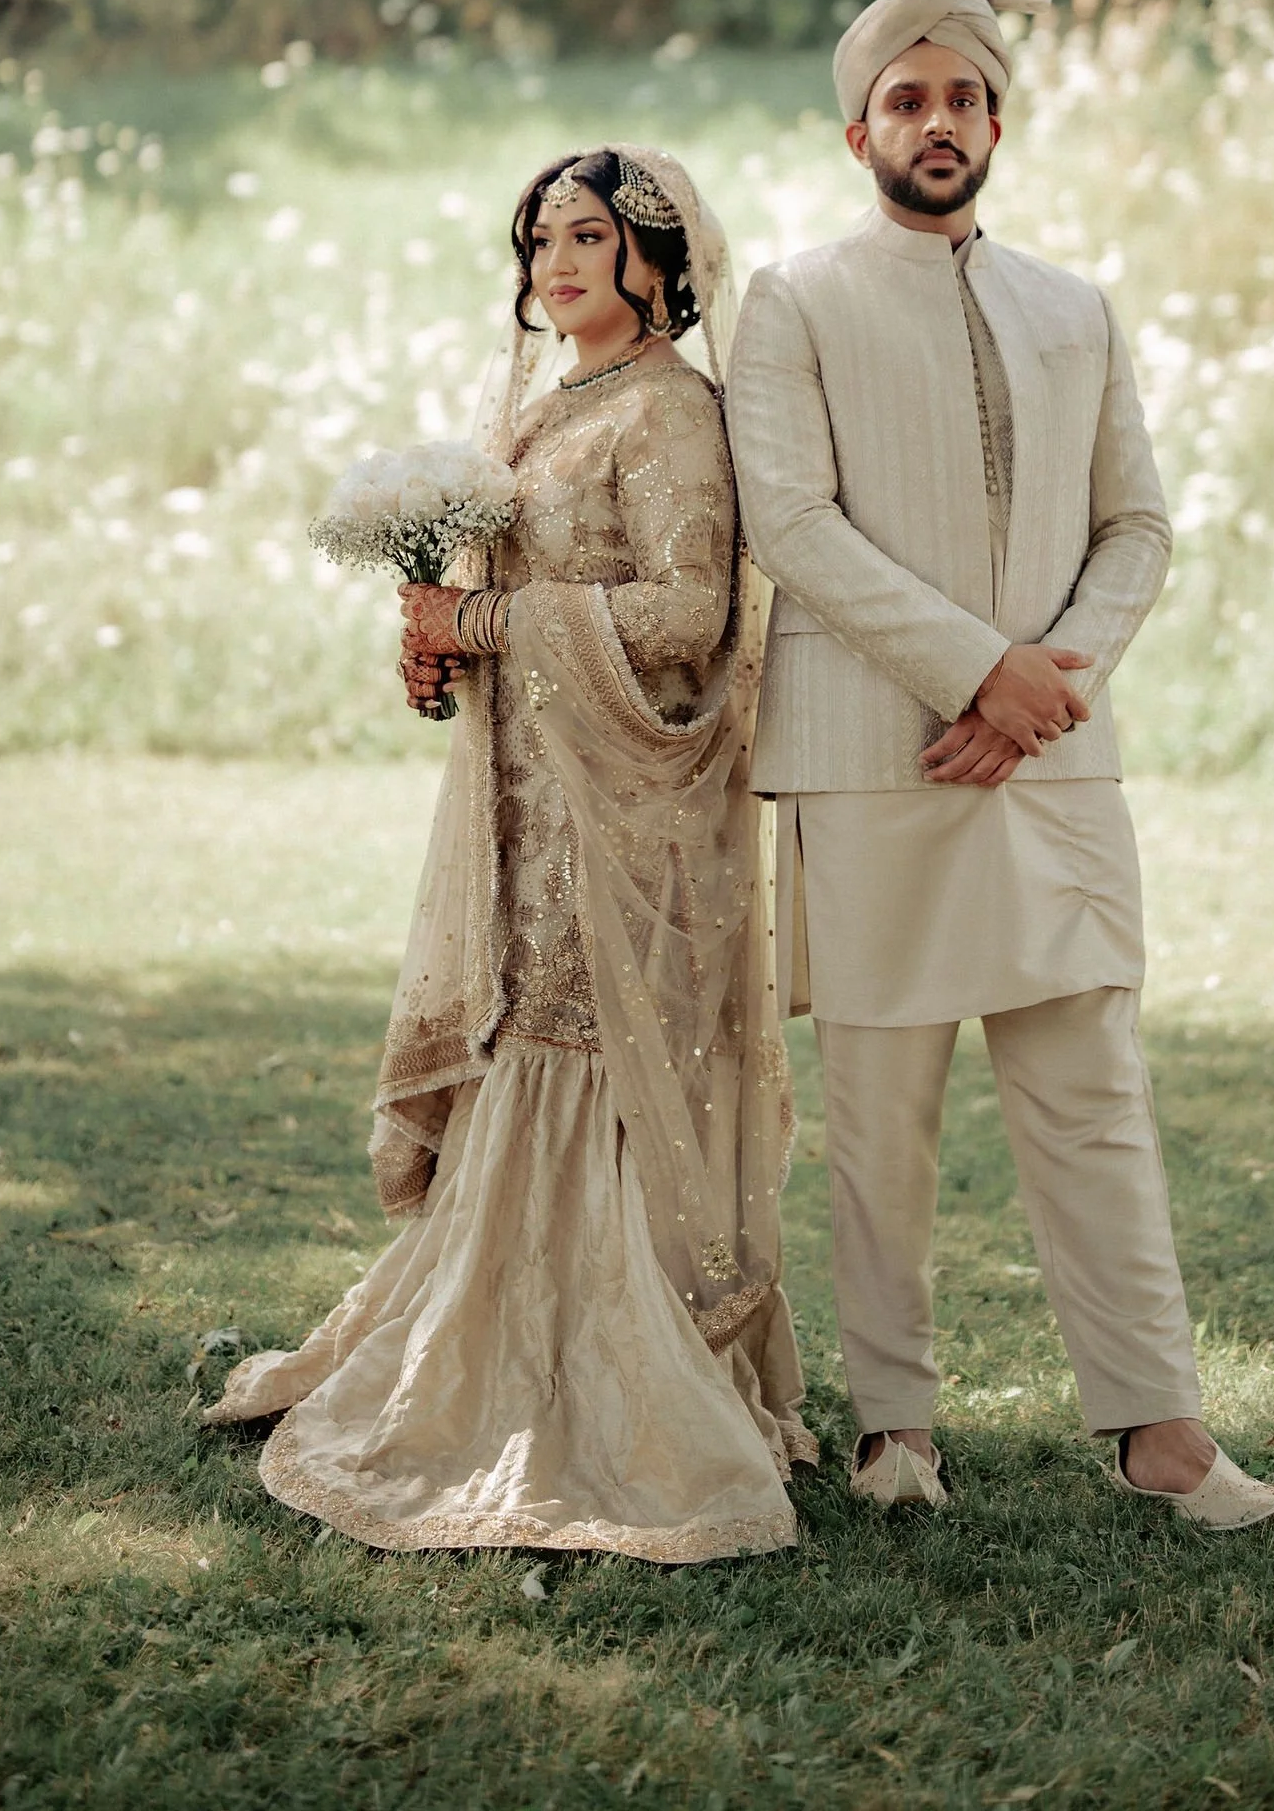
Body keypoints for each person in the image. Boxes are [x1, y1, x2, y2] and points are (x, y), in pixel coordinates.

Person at [725, 0, 1274, 1530]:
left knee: (1093, 1098)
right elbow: (790, 519)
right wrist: (978, 669)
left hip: (1053, 761)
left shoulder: (1077, 306)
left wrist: (1051, 680)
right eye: (905, 96)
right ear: (857, 132)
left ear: (998, 127)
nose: (936, 119)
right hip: (873, 756)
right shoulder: (793, 302)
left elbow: (1140, 528)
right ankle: (894, 1433)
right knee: (881, 1118)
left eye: (963, 97)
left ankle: (1163, 1435)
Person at [205, 144, 815, 1563]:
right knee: (521, 1032)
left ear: (657, 263)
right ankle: (490, 1338)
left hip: (622, 816)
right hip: (524, 805)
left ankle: (623, 1378)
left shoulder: (668, 415)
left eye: (590, 238)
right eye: (542, 238)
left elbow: (685, 617)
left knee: (595, 1042)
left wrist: (484, 629)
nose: (557, 264)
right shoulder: (546, 408)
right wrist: (442, 650)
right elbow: (517, 599)